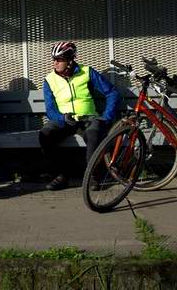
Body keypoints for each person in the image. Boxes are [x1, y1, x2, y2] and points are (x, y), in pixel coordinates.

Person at [40, 41, 121, 191]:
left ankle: (93, 176)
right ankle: (61, 176)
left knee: (93, 134)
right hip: (65, 121)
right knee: (46, 134)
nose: (55, 63)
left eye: (59, 60)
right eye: (54, 59)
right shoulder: (49, 79)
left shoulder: (87, 72)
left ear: (70, 61)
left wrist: (106, 117)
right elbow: (50, 108)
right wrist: (62, 118)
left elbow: (112, 93)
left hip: (88, 118)